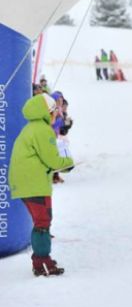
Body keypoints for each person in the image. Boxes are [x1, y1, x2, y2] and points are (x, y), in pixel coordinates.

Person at [9, 94, 75, 276]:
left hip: (26, 183)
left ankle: (41, 260)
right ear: (47, 112)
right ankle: (42, 262)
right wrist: (68, 162)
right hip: (34, 183)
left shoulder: (30, 129)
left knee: (41, 221)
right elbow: (52, 160)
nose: (56, 114)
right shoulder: (43, 131)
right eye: (54, 110)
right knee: (43, 222)